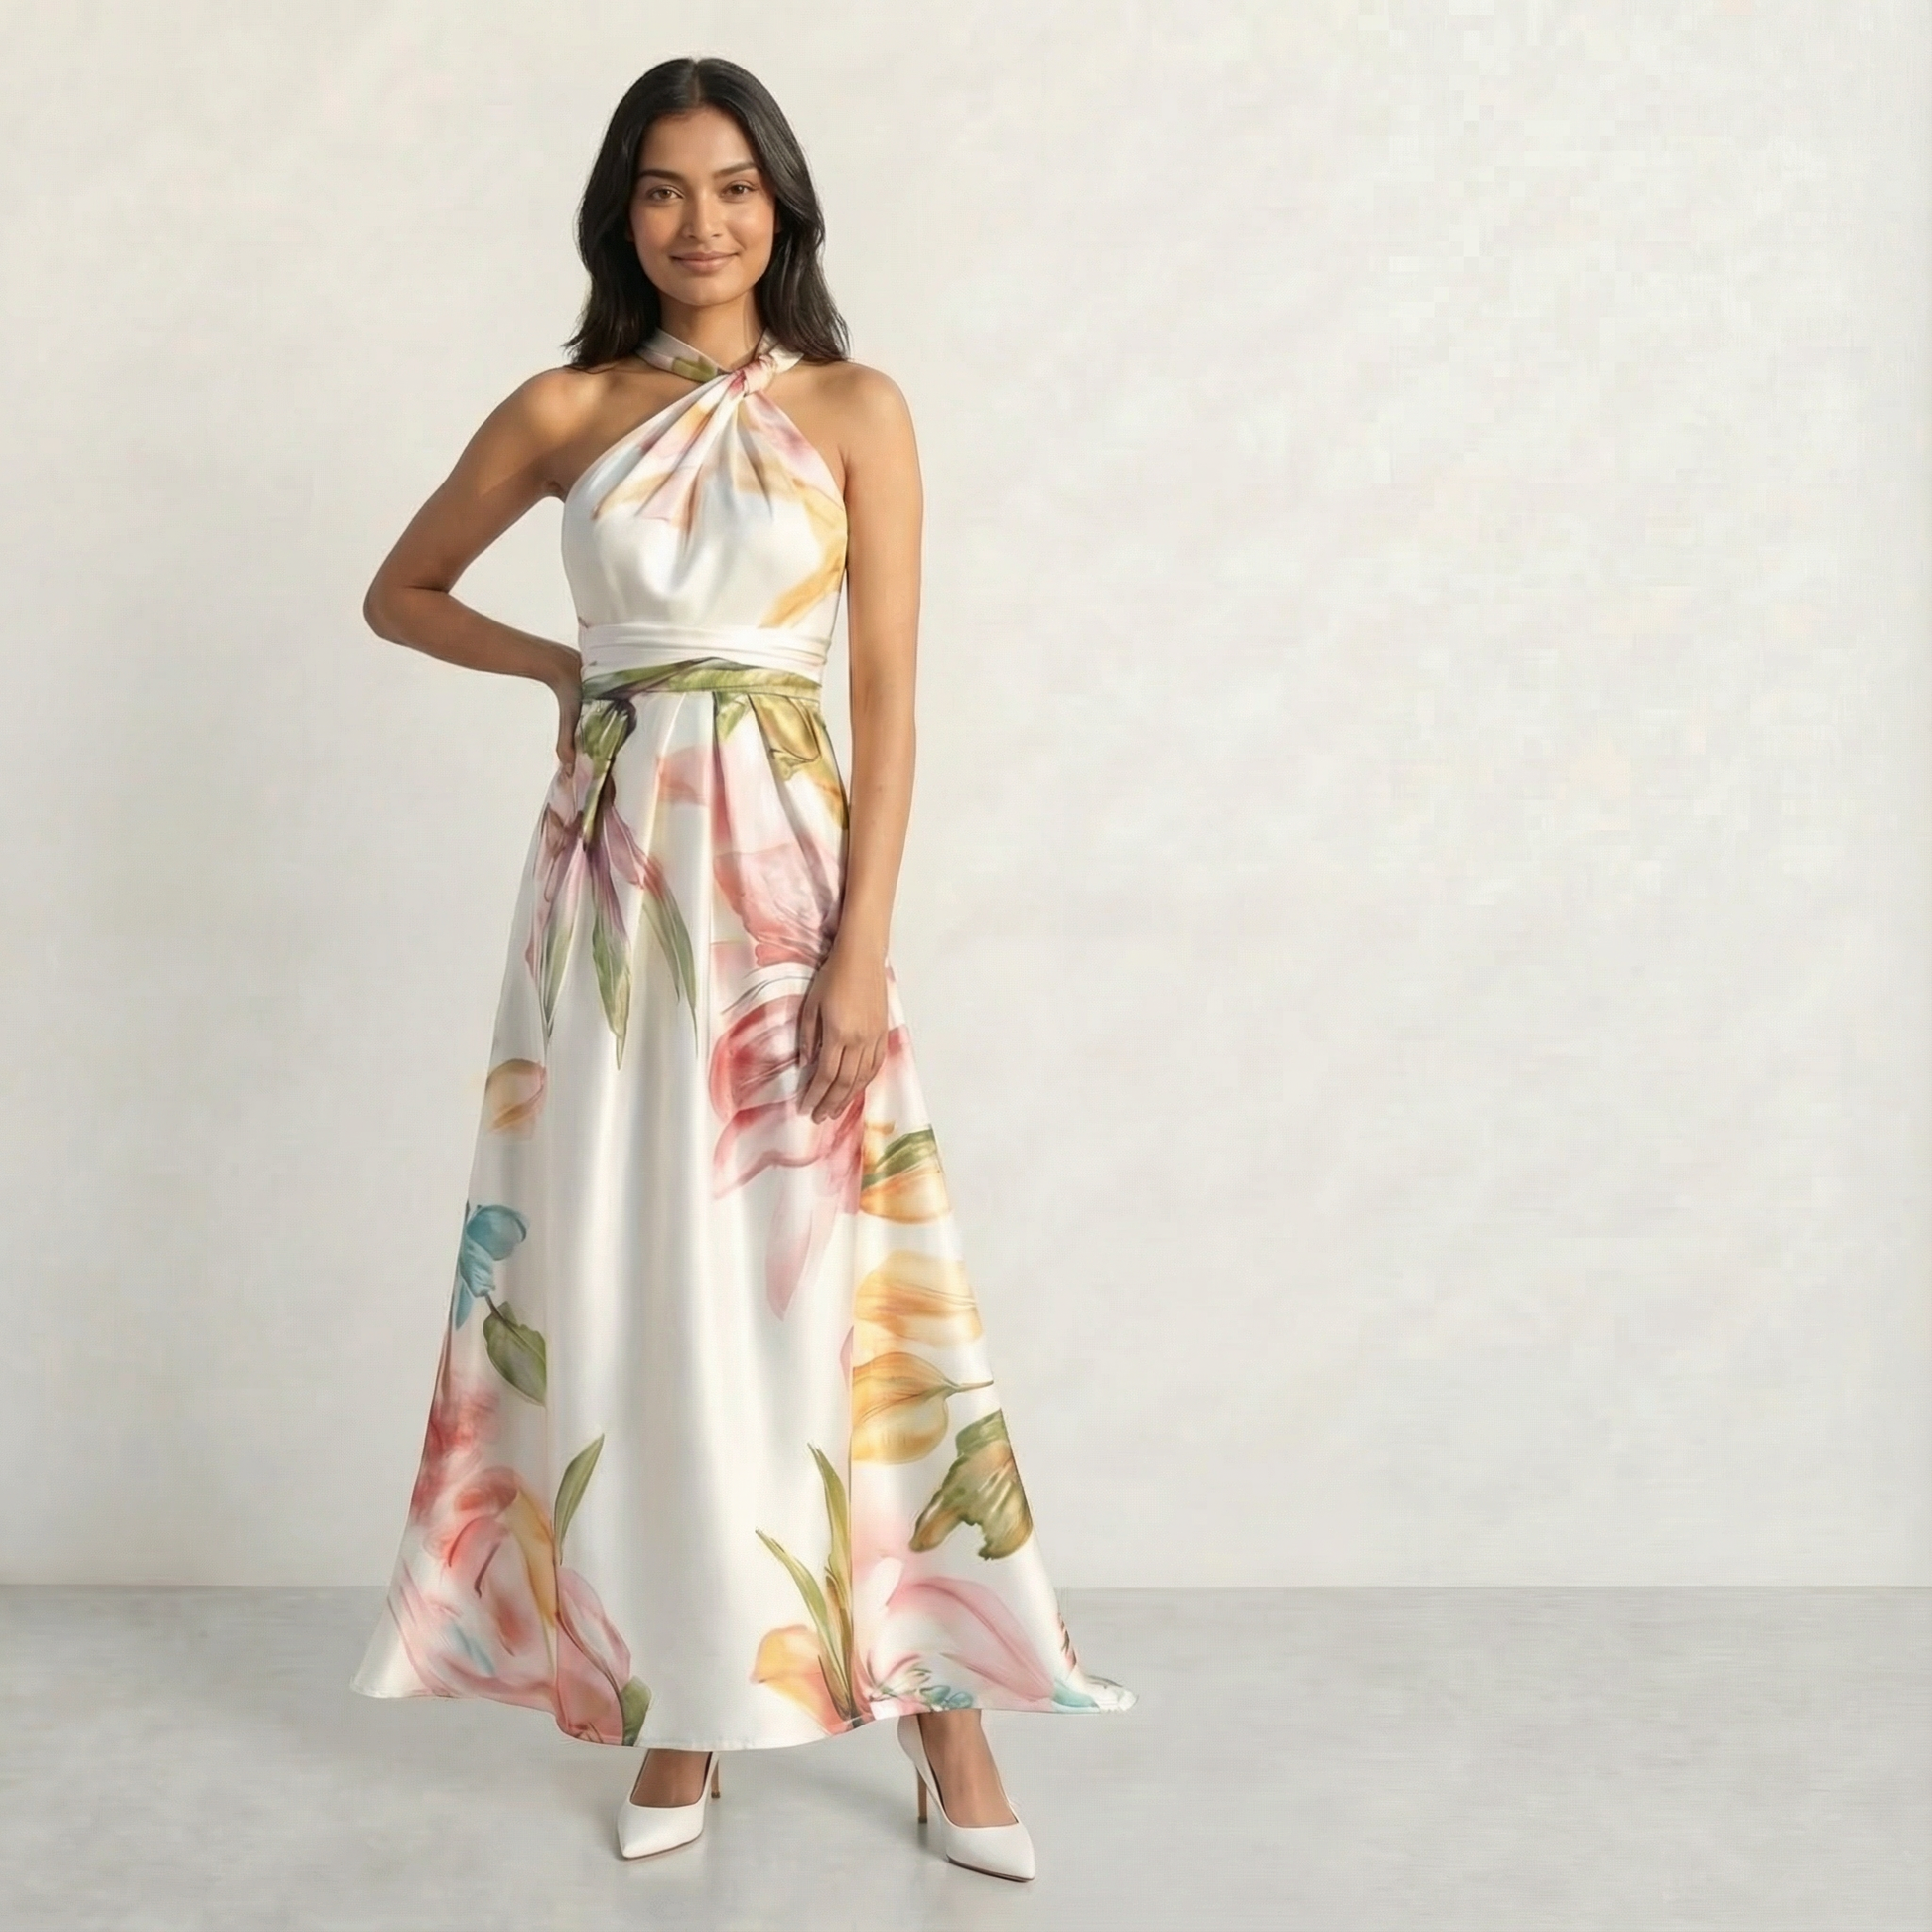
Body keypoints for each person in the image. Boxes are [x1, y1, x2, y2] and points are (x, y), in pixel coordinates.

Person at [347, 55, 1133, 1882]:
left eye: (731, 187)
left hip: (788, 888)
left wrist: (861, 949)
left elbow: (887, 699)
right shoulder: (566, 406)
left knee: (839, 1279)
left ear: (783, 205)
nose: (699, 222)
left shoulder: (856, 406)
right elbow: (400, 589)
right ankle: (679, 1697)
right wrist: (565, 667)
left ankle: (945, 1714)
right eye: (661, 188)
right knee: (641, 1284)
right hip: (612, 899)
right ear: (619, 213)